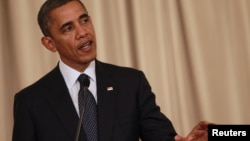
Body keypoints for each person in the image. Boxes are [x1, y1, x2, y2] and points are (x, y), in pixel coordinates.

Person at [12, 0, 210, 141]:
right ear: (49, 44)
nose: (83, 32)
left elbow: (160, 136)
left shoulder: (131, 83)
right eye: (68, 28)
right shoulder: (31, 101)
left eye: (84, 20)